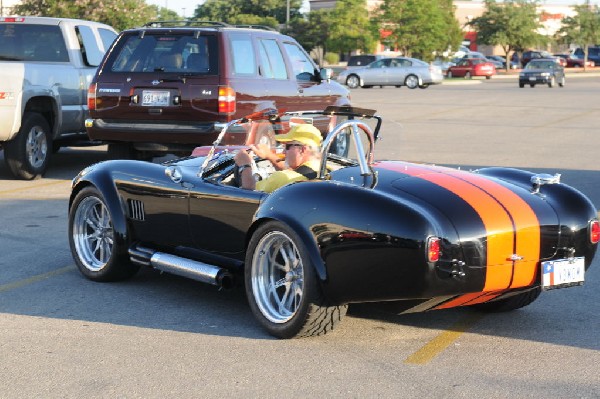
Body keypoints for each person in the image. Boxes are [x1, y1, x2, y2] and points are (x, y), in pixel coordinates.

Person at [234, 124, 322, 193]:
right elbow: (299, 172)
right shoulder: (325, 169)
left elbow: (249, 191)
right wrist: (269, 156)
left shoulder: (280, 178)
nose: (283, 152)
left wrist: (245, 165)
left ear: (303, 149)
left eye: (287, 146)